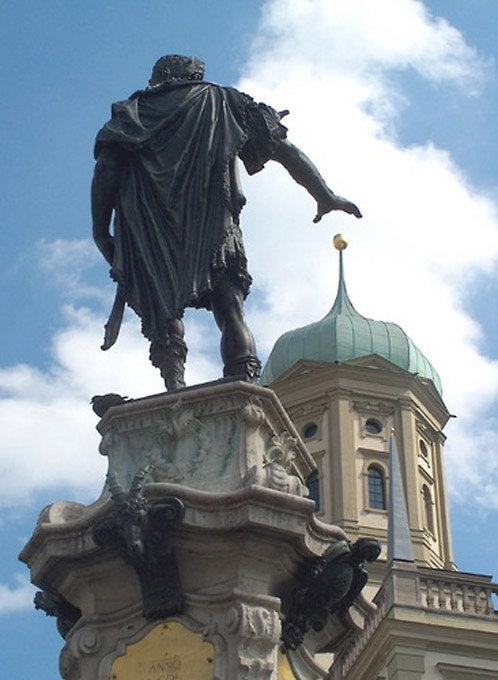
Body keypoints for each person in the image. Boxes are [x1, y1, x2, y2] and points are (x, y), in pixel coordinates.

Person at [92, 54, 361, 391]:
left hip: (150, 225)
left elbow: (107, 169)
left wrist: (101, 230)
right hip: (213, 222)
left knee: (163, 309)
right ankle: (243, 377)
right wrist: (324, 194)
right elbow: (285, 150)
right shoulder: (227, 102)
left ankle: (174, 385)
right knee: (229, 306)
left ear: (161, 76)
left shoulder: (133, 112)